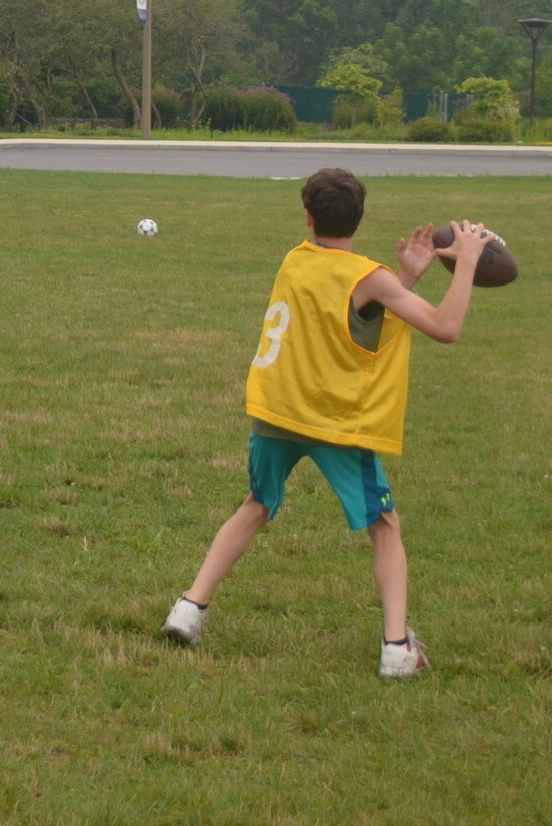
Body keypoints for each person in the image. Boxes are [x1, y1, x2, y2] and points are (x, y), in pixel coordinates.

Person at [161, 167, 495, 678]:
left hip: (278, 407)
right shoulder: (368, 275)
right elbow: (445, 327)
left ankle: (188, 608)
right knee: (384, 524)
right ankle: (397, 647)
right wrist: (466, 262)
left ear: (308, 218)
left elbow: (351, 316)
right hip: (332, 419)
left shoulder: (295, 259)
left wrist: (405, 279)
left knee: (256, 504)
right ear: (362, 216)